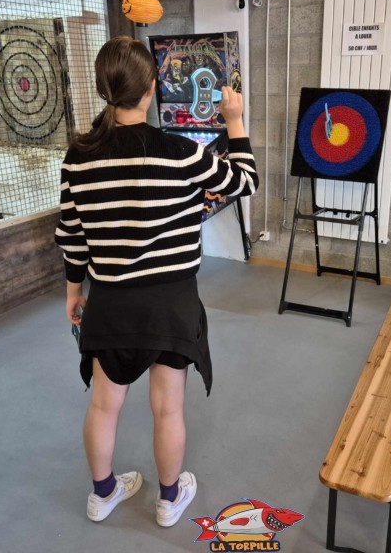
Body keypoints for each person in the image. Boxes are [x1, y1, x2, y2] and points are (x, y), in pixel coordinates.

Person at [54, 36, 258, 527]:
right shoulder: (180, 151)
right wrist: (234, 120)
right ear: (150, 89)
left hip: (110, 301)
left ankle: (103, 494)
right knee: (168, 409)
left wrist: (74, 292)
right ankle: (169, 500)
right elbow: (244, 181)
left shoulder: (77, 158)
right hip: (170, 303)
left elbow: (72, 236)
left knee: (104, 406)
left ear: (105, 88)